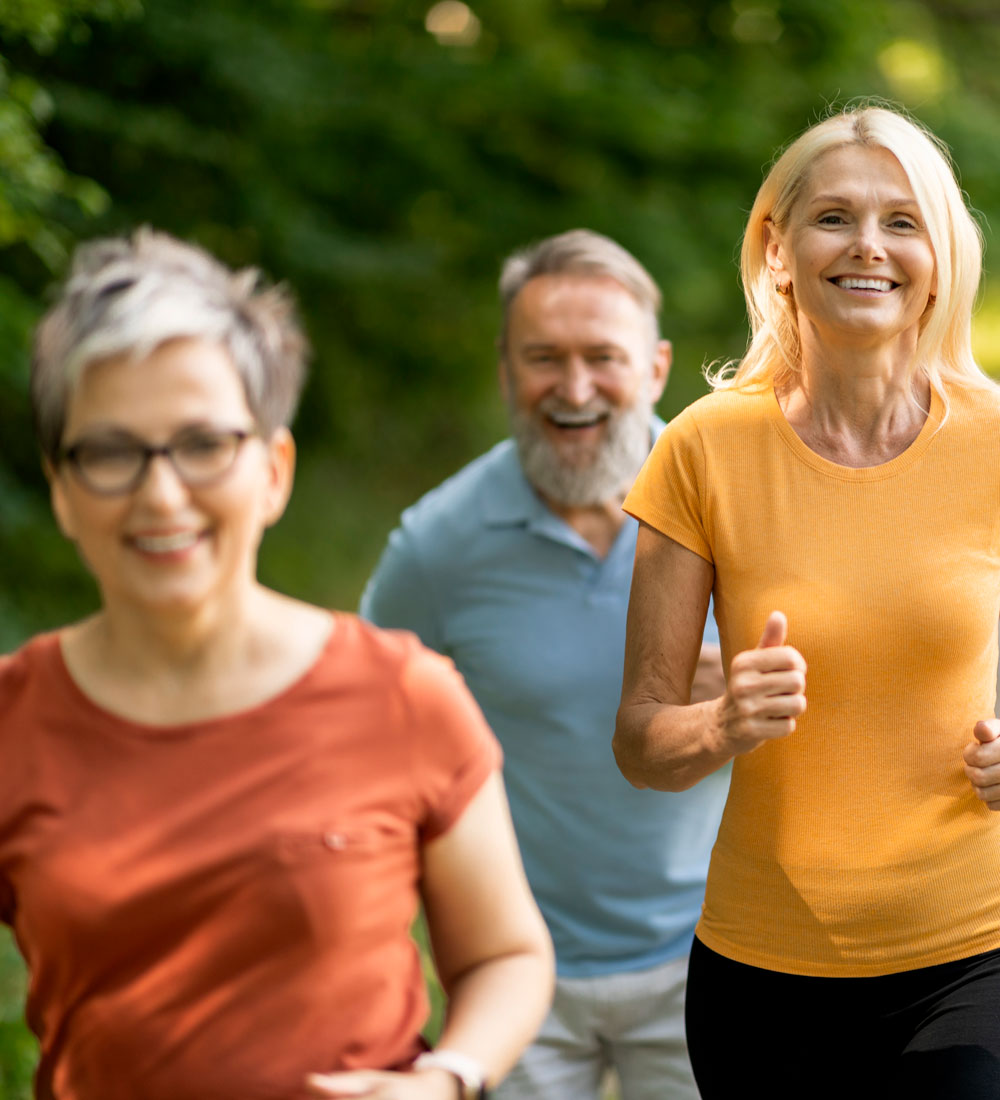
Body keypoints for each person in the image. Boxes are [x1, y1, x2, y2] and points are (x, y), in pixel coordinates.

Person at [0, 228, 553, 1100]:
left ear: (274, 469)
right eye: (111, 452)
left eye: (202, 444)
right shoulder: (13, 719)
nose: (161, 493)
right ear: (63, 488)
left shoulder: (403, 694)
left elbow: (508, 954)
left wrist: (447, 1078)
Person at [615, 104, 1000, 1099]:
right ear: (777, 249)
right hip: (763, 972)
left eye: (901, 221)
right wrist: (723, 720)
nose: (867, 246)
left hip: (974, 948)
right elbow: (642, 741)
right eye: (833, 217)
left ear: (940, 254)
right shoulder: (701, 449)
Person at [362, 229, 729, 1100]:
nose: (573, 389)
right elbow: (359, 732)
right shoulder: (439, 545)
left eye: (603, 357)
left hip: (715, 956)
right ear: (504, 369)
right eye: (543, 358)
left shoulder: (741, 505)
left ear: (655, 367)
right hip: (517, 965)